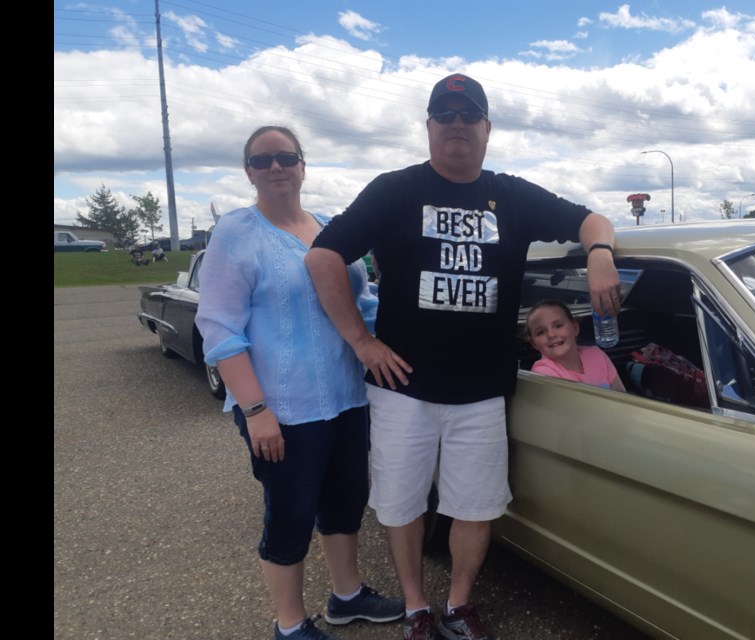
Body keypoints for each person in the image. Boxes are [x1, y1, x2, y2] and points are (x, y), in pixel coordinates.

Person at [304, 74, 620, 640]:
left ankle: (457, 604)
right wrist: (361, 341)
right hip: (404, 387)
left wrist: (599, 252)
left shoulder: (513, 195)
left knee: (475, 505)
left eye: (468, 116)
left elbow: (592, 219)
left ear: (486, 129)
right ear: (428, 127)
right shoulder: (395, 190)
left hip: (481, 389)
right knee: (401, 506)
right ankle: (416, 608)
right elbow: (323, 257)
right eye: (444, 115)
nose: (456, 125)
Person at [196, 125, 404, 640]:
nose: (276, 168)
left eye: (286, 157)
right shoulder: (236, 233)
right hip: (283, 408)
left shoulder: (331, 227)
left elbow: (364, 303)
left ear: (302, 165)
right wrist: (255, 409)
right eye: (262, 160)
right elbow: (219, 328)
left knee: (345, 500)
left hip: (347, 398)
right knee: (289, 513)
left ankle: (346, 596)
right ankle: (290, 623)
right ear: (249, 172)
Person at [526, 299, 626, 391]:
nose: (551, 335)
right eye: (540, 332)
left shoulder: (596, 354)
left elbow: (621, 396)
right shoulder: (543, 373)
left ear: (574, 328)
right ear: (534, 343)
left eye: (558, 326)